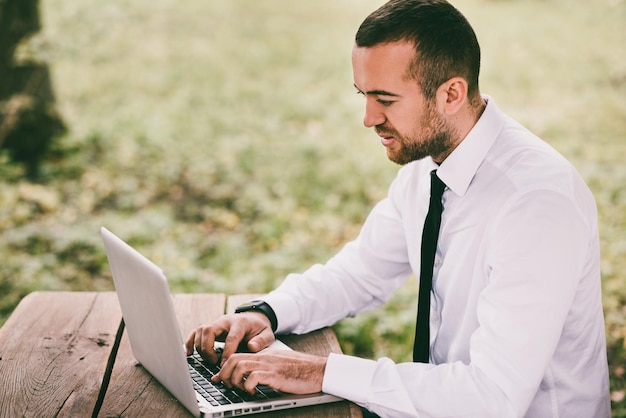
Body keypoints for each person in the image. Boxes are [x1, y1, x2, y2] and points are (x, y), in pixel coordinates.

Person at [185, 0, 611, 416]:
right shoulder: (428, 166)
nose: (368, 118)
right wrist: (269, 312)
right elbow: (360, 272)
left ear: (451, 94)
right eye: (363, 95)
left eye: (385, 100)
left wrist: (320, 371)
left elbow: (494, 397)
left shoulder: (536, 202)